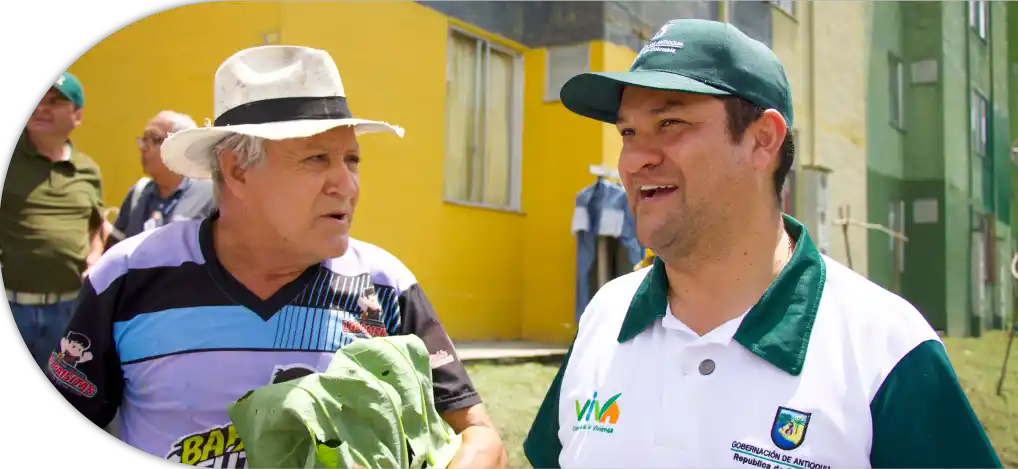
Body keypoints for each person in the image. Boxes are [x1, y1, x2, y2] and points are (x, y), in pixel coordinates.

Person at [524, 19, 1003, 469]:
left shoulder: (883, 347)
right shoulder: (606, 316)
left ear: (762, 140)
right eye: (628, 132)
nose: (634, 160)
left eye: (670, 124)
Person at [46, 45, 507, 468]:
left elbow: (478, 434)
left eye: (352, 160)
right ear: (238, 170)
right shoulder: (130, 276)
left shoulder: (384, 284)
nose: (346, 185)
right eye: (316, 159)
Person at [1, 71, 108, 370]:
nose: (41, 107)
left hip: (68, 310)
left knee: (63, 391)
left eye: (55, 101)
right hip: (13, 304)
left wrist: (94, 256)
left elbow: (95, 225)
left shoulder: (88, 170)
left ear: (77, 115)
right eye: (40, 100)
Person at [105, 110, 214, 249]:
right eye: (144, 139)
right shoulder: (138, 192)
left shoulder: (210, 196)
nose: (143, 148)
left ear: (181, 147)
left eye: (153, 139)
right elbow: (114, 248)